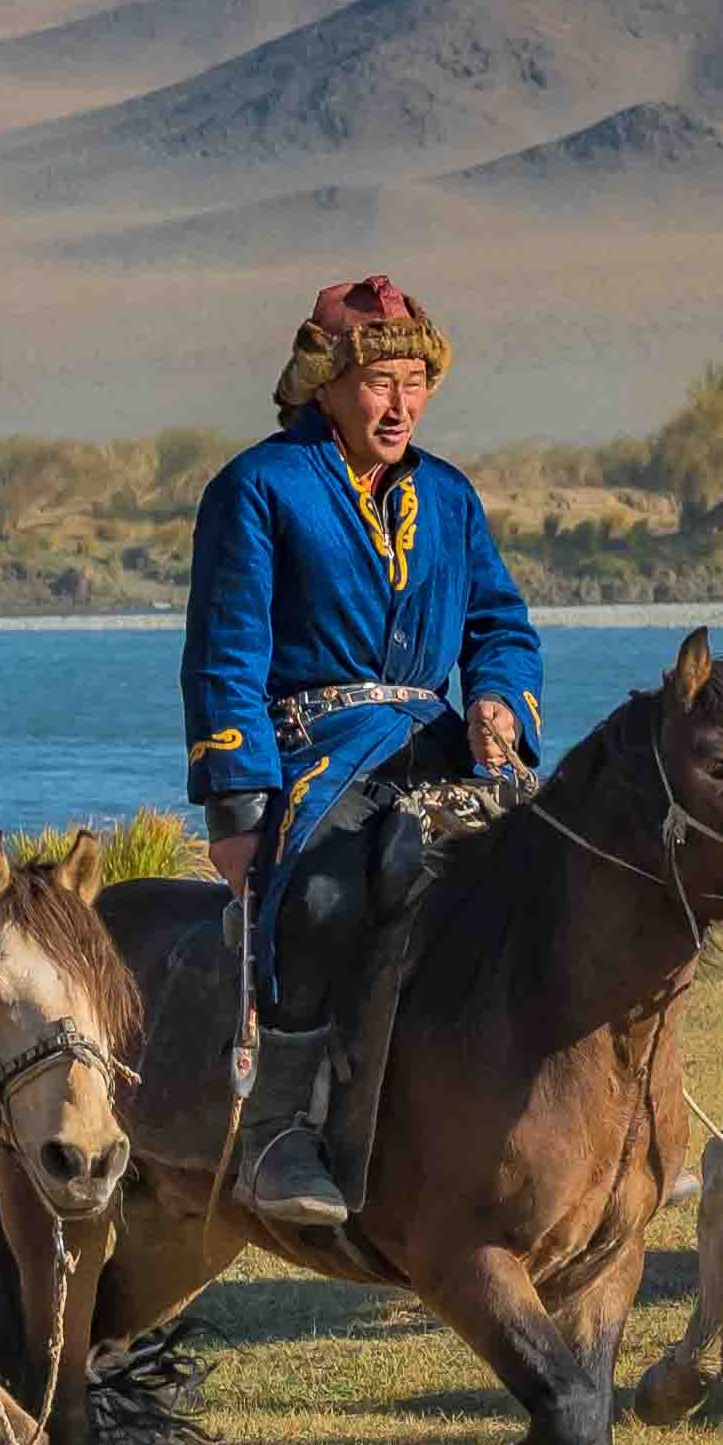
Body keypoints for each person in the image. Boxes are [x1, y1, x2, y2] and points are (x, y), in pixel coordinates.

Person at [183, 276, 543, 1227]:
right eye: (381, 379)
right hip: (320, 755)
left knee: (545, 879)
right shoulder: (257, 488)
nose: (401, 402)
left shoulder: (452, 497)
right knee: (333, 896)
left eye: (416, 380)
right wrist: (237, 811)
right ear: (326, 384)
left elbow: (501, 625)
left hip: (439, 746)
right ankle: (273, 1134)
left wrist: (499, 704)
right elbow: (226, 657)